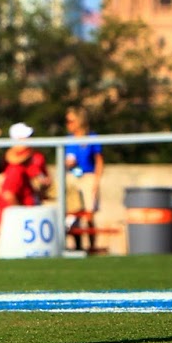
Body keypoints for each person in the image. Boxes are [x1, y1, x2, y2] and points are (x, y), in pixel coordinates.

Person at [64, 107, 104, 250]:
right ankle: (78, 246)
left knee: (89, 213)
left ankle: (92, 246)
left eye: (71, 121)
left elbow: (99, 161)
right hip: (72, 176)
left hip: (88, 177)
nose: (68, 124)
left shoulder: (92, 138)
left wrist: (96, 181)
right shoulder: (69, 139)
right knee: (73, 212)